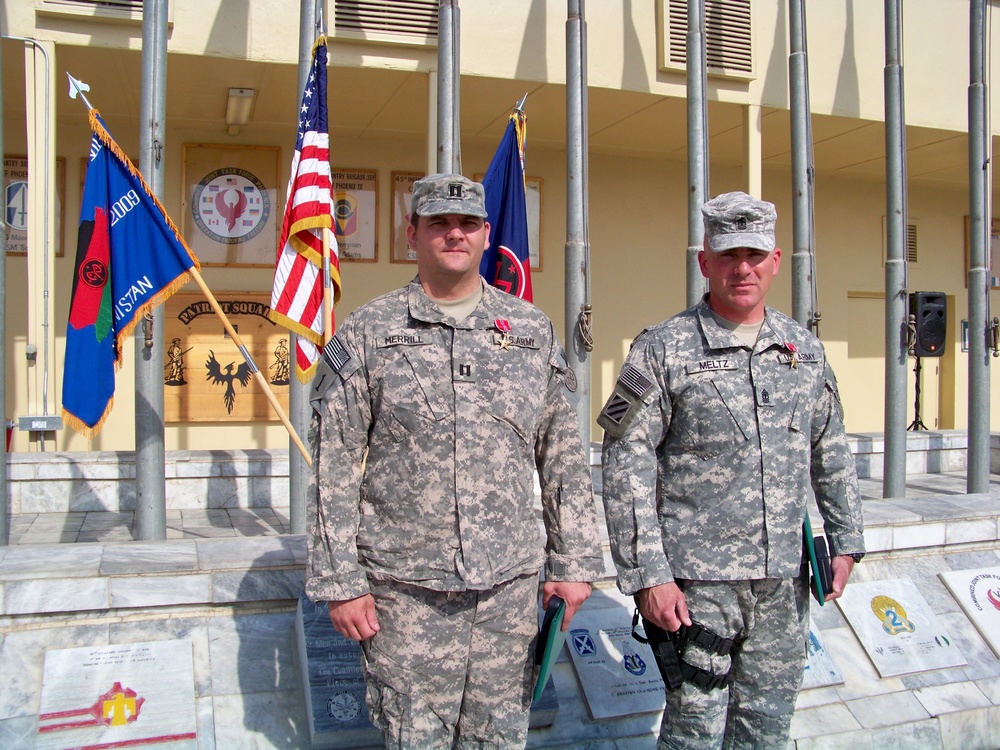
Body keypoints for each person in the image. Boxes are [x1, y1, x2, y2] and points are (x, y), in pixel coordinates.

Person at [306, 173, 604, 749]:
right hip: (405, 596)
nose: (454, 234)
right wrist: (340, 581)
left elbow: (563, 455)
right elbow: (333, 462)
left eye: (467, 223)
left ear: (486, 234)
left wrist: (572, 563)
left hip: (507, 593)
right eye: (438, 223)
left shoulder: (530, 331)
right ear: (412, 233)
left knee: (500, 740)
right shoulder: (369, 331)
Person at [598, 191, 865, 749]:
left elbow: (831, 448)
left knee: (766, 730)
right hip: (698, 587)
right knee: (693, 733)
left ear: (775, 260)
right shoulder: (662, 349)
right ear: (705, 261)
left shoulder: (804, 351)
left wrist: (847, 541)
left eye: (754, 254)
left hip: (783, 584)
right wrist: (649, 575)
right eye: (728, 255)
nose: (742, 268)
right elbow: (626, 462)